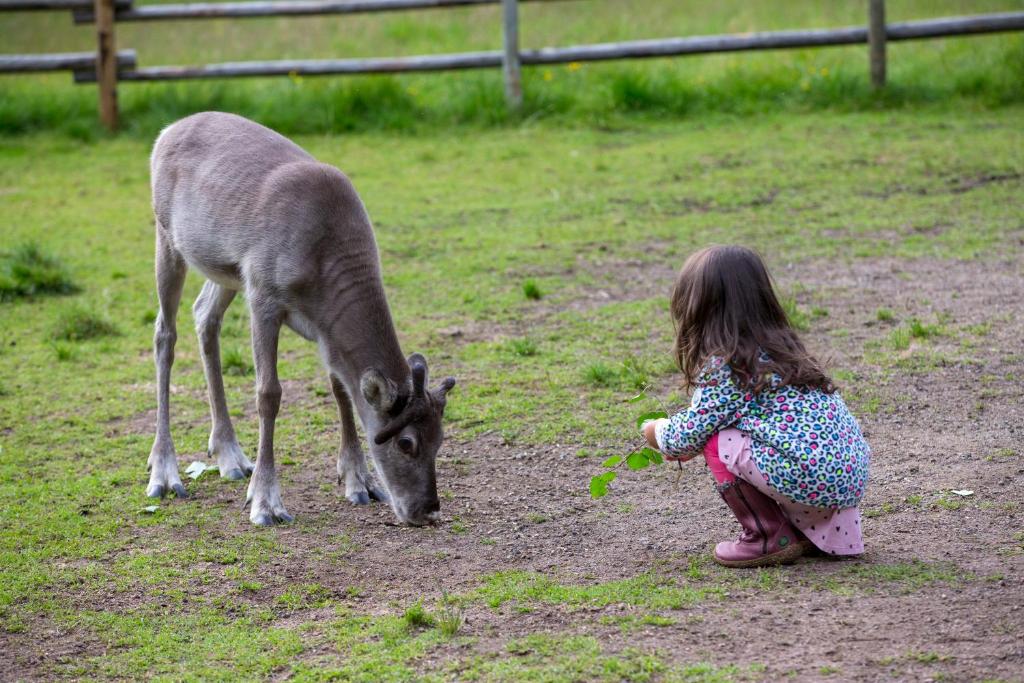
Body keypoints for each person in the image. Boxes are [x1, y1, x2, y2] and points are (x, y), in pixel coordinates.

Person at [641, 245, 869, 568]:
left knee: (719, 440)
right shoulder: (786, 350)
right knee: (778, 441)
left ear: (700, 310)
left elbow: (688, 436)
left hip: (809, 477)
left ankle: (767, 535)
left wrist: (654, 430)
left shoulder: (730, 365)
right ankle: (823, 536)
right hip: (848, 476)